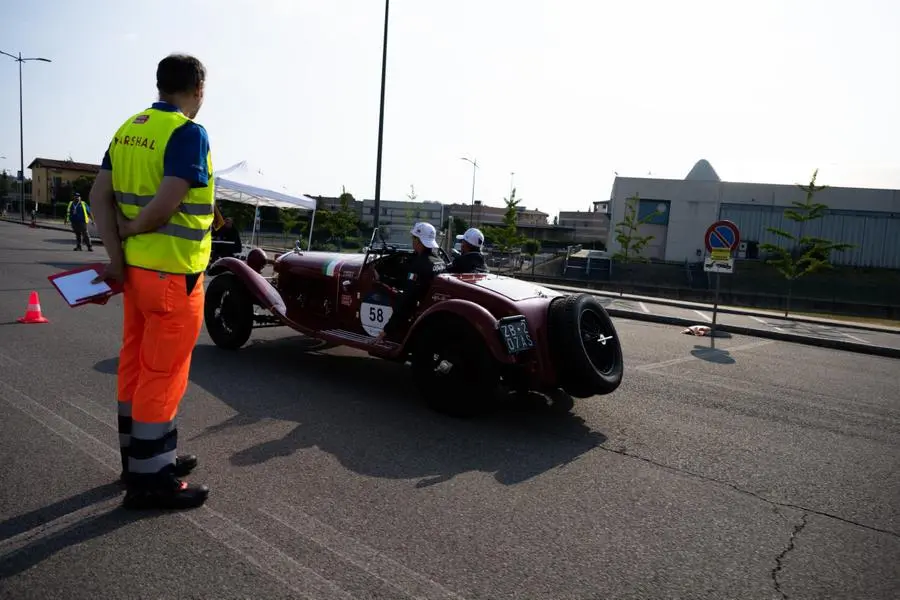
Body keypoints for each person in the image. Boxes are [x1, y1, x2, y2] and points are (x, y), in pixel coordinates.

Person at [89, 53, 214, 510]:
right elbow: (165, 204)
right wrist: (133, 228)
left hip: (138, 275)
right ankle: (151, 482)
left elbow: (98, 196)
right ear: (198, 88)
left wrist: (115, 257)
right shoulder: (187, 132)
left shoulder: (127, 130)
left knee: (136, 367)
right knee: (163, 375)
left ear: (159, 85)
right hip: (173, 274)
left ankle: (140, 459)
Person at [378, 222, 446, 341]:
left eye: (413, 238)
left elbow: (408, 296)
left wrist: (387, 329)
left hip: (416, 311)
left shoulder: (419, 264)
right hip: (431, 308)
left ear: (418, 240)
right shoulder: (440, 261)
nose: (412, 241)